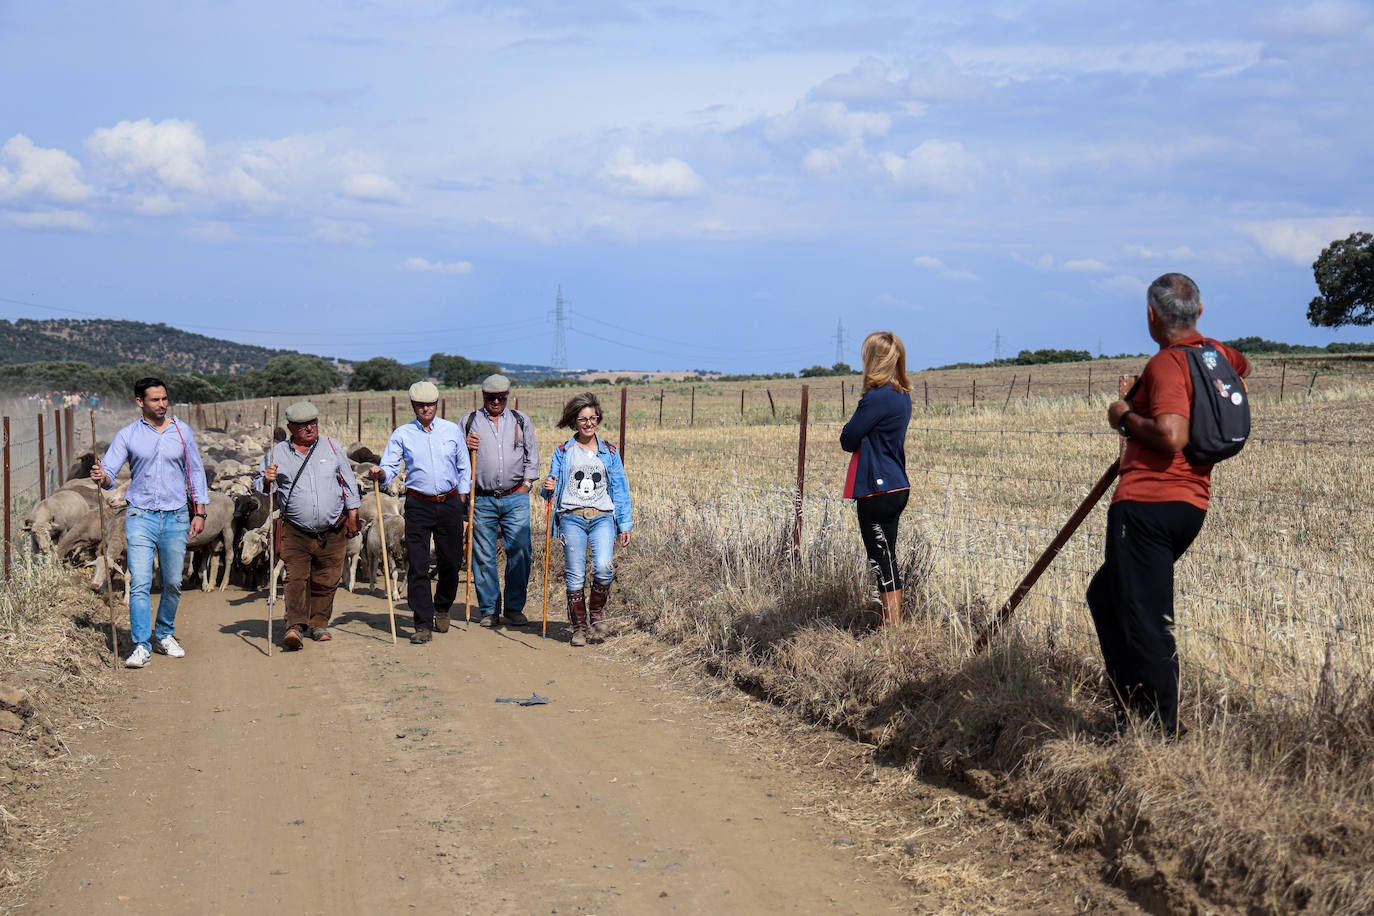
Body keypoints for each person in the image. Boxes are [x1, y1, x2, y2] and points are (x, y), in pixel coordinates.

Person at [1088, 272, 1250, 737]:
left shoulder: (1165, 364)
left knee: (1144, 615)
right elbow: (1243, 365)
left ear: (1151, 315)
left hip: (1147, 503)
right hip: (1191, 505)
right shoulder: (1216, 353)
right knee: (1106, 596)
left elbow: (1172, 435)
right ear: (1199, 313)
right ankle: (1132, 711)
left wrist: (1123, 416)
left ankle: (1160, 730)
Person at [91, 377, 209, 669]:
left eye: (165, 399)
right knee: (141, 582)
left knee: (172, 582)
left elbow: (195, 472)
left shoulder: (182, 432)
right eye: (155, 400)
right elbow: (109, 474)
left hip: (176, 514)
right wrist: (101, 477)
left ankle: (165, 634)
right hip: (140, 515)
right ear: (140, 402)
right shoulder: (128, 435)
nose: (161, 405)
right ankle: (141, 644)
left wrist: (200, 512)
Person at [369, 382, 472, 644]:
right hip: (417, 504)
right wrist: (381, 474)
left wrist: (463, 494)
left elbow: (464, 465)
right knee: (417, 563)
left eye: (430, 404)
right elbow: (390, 466)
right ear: (414, 406)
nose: (426, 409)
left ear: (436, 405)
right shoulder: (402, 434)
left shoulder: (451, 430)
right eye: (420, 405)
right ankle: (422, 623)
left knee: (451, 561)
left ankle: (442, 606)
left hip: (449, 502)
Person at [254, 401, 361, 650]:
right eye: (303, 425)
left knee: (328, 577)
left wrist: (353, 514)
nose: (310, 428)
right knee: (296, 579)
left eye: (313, 423)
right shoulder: (277, 452)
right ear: (291, 427)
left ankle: (319, 623)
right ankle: (295, 626)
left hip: (333, 528)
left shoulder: (332, 447)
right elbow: (259, 486)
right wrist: (268, 480)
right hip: (296, 529)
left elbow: (348, 483)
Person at [542, 393, 632, 646]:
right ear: (574, 422)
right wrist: (547, 486)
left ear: (598, 419)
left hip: (602, 517)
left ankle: (596, 612)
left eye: (593, 418)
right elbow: (551, 487)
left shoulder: (610, 452)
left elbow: (620, 489)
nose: (588, 423)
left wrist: (624, 524)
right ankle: (579, 628)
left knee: (604, 566)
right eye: (582, 419)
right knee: (575, 575)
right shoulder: (563, 452)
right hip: (571, 518)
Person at [839, 331, 913, 626]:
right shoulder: (902, 395)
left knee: (880, 559)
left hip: (875, 489)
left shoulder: (875, 398)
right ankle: (891, 623)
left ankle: (891, 627)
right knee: (889, 555)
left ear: (873, 360)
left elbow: (848, 438)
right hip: (898, 485)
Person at [461, 374, 540, 629]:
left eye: (501, 397)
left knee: (520, 550)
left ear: (508, 396)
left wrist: (526, 486)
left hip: (515, 496)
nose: (496, 401)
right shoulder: (468, 421)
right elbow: (456, 459)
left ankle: (514, 607)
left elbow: (532, 457)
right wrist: (465, 444)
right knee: (483, 555)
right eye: (491, 397)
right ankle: (489, 609)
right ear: (482, 396)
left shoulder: (521, 420)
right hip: (481, 497)